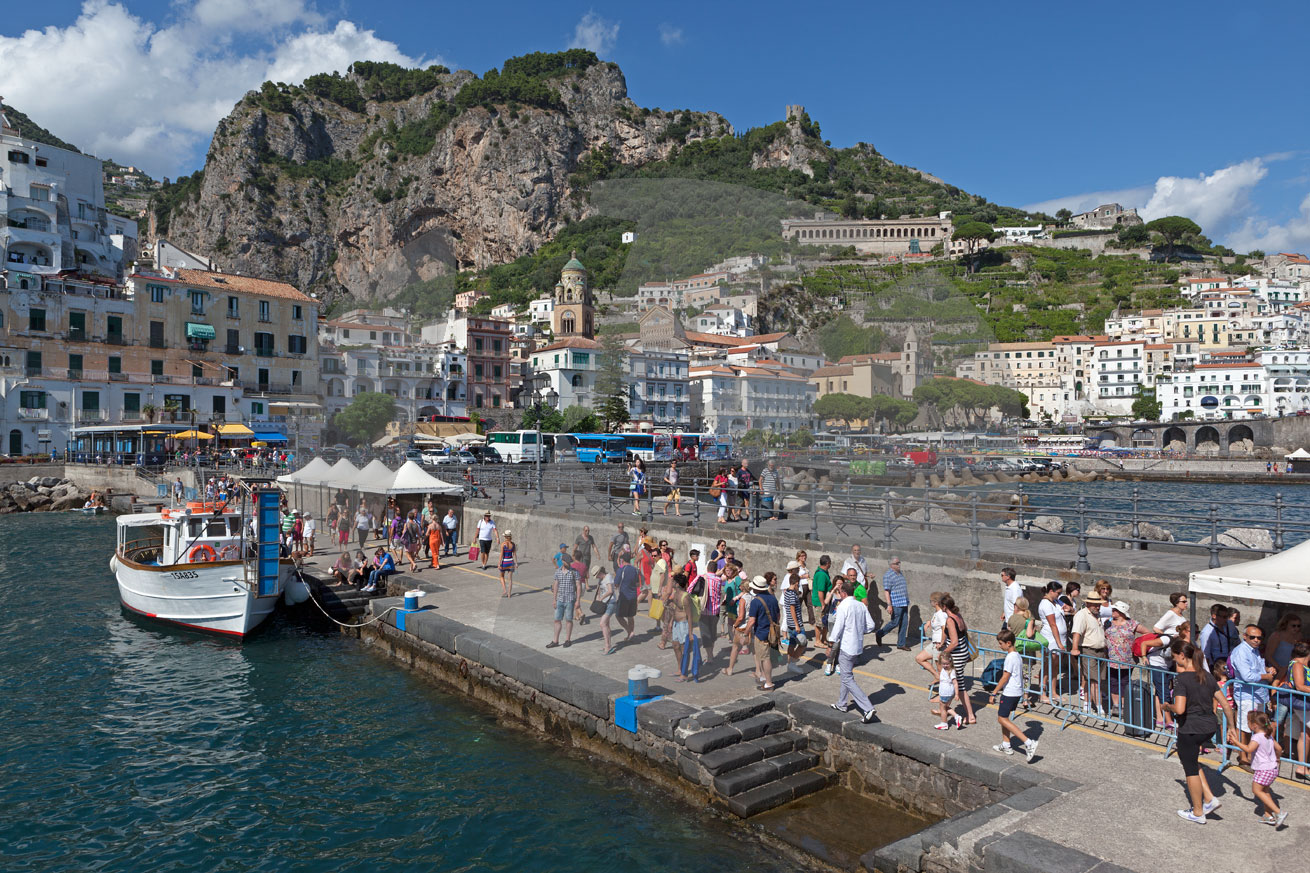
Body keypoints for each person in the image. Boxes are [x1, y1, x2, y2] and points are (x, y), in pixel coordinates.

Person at [1169, 642, 1235, 824]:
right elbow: (1226, 705)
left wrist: (1167, 706)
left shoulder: (1182, 679)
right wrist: (1231, 727)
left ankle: (1198, 812)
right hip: (1209, 727)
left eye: (1174, 656)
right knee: (1192, 760)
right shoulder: (1207, 676)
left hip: (1191, 728)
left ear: (1182, 656)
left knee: (1189, 768)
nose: (1174, 660)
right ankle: (1209, 798)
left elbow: (1180, 709)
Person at [828, 578, 878, 723]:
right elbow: (871, 625)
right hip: (857, 646)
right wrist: (859, 630)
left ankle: (867, 708)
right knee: (846, 673)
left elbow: (838, 627)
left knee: (847, 678)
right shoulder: (861, 605)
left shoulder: (843, 606)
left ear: (843, 593)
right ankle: (841, 703)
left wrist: (830, 644)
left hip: (846, 647)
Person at [1228, 711, 1289, 827]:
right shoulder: (1268, 735)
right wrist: (1277, 758)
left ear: (1254, 725)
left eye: (1248, 722)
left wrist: (1236, 742)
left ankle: (1279, 812)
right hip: (1273, 768)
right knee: (1265, 791)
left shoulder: (1257, 737)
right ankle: (1268, 815)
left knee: (1256, 791)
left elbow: (1248, 749)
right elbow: (1279, 748)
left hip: (1263, 769)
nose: (1248, 724)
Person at [988, 628, 1040, 761]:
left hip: (1010, 692)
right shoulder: (1017, 655)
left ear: (1008, 643)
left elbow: (1005, 676)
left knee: (1002, 719)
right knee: (1004, 717)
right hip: (1016, 691)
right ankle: (1006, 744)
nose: (999, 646)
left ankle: (1028, 743)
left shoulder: (1010, 657)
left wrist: (994, 692)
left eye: (1001, 643)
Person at [1229, 623, 1277, 763]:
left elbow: (1257, 668)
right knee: (1245, 726)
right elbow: (1247, 676)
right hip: (1247, 695)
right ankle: (1243, 757)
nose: (1256, 640)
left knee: (1256, 725)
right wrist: (1266, 676)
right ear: (1245, 636)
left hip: (1258, 694)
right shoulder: (1241, 651)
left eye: (1259, 638)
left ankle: (1251, 754)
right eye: (1252, 637)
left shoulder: (1254, 650)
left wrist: (1268, 669)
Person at [1103, 601, 1149, 718]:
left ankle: (1123, 706)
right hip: (1112, 658)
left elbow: (1147, 633)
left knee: (1124, 682)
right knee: (1113, 681)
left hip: (1127, 659)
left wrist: (1139, 645)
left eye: (1115, 610)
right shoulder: (1108, 622)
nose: (1113, 611)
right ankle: (1115, 705)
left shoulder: (1132, 623)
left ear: (1122, 612)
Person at [938, 594, 977, 725]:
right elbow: (964, 630)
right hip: (963, 652)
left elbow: (954, 642)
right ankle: (944, 708)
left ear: (944, 607)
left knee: (959, 687)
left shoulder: (950, 620)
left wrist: (943, 653)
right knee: (954, 682)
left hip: (957, 655)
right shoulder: (958, 615)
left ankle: (970, 716)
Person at [1070, 592, 1108, 720]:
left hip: (1100, 651)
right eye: (1095, 604)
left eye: (1099, 604)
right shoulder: (1082, 615)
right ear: (1088, 603)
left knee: (1091, 679)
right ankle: (1099, 709)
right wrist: (1074, 648)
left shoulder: (1097, 615)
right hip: (1089, 650)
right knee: (1095, 681)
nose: (1098, 607)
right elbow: (1077, 632)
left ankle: (1087, 705)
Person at [745, 576, 780, 691]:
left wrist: (745, 634)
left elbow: (751, 621)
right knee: (767, 656)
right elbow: (778, 615)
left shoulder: (756, 601)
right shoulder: (773, 598)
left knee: (765, 658)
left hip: (761, 633)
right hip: (772, 632)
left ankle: (769, 683)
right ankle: (764, 678)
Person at [1036, 581, 1067, 704]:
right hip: (1051, 639)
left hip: (1060, 638)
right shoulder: (1045, 604)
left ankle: (1053, 692)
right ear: (1051, 591)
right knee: (1047, 665)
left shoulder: (1056, 601)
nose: (1059, 595)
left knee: (1055, 667)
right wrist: (1059, 643)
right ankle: (1042, 693)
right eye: (1058, 593)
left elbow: (1069, 609)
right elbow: (1052, 624)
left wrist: (1069, 608)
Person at [1286, 641, 1310, 780]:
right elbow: (1300, 686)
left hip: (1305, 703)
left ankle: (1302, 767)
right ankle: (1302, 767)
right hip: (1303, 703)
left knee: (1305, 734)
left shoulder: (1299, 664)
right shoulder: (1298, 665)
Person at [876, 556, 911, 651]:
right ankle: (879, 633)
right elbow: (887, 591)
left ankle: (901, 644)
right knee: (895, 622)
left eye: (899, 563)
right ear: (891, 565)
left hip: (904, 602)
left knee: (904, 623)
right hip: (896, 604)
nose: (899, 565)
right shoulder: (888, 575)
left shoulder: (900, 573)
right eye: (897, 563)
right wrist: (889, 605)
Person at [667, 572, 693, 681]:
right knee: (675, 646)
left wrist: (690, 633)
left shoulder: (685, 597)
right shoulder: (675, 594)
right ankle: (679, 669)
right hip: (676, 624)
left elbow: (690, 616)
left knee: (684, 649)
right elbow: (675, 609)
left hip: (684, 624)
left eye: (673, 581)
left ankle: (684, 674)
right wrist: (671, 622)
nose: (672, 582)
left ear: (677, 584)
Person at [547, 556, 578, 649]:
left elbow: (579, 586)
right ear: (563, 561)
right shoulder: (558, 572)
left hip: (570, 599)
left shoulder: (574, 572)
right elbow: (556, 586)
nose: (569, 563)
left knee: (569, 620)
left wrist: (578, 600)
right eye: (567, 562)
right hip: (560, 599)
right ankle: (555, 641)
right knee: (557, 620)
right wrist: (554, 599)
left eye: (570, 562)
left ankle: (568, 640)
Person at [917, 591, 948, 681]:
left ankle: (944, 685)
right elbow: (936, 622)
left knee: (940, 669)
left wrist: (942, 642)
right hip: (934, 643)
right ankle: (937, 676)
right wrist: (928, 622)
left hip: (939, 644)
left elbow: (944, 628)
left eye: (930, 601)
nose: (930, 602)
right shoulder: (937, 612)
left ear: (936, 602)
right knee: (919, 658)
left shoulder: (941, 614)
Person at [782, 568, 807, 674]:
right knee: (803, 643)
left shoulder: (787, 591)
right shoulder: (792, 594)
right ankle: (792, 663)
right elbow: (792, 609)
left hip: (789, 623)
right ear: (796, 583)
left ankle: (789, 664)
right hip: (795, 624)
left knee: (792, 644)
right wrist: (797, 625)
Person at [1200, 604, 1240, 670]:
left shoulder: (1230, 625)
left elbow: (1237, 641)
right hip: (1217, 666)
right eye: (1224, 617)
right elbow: (1206, 655)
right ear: (1214, 616)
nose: (1226, 619)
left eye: (1227, 616)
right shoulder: (1206, 632)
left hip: (1231, 661)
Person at [1267, 613, 1303, 681]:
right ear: (1286, 624)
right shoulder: (1276, 635)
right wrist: (1280, 669)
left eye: (1298, 626)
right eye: (1293, 626)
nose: (1296, 628)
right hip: (1275, 670)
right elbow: (1268, 656)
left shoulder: (1299, 636)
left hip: (1289, 671)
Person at [614, 553, 640, 642]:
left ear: (622, 560)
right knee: (630, 616)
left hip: (624, 596)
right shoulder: (635, 570)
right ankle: (630, 636)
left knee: (618, 616)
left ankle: (630, 631)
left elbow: (616, 583)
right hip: (633, 596)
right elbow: (637, 584)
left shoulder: (621, 570)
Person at [933, 653, 960, 731]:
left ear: (950, 662)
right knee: (945, 707)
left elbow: (955, 683)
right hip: (947, 692)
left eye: (947, 664)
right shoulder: (945, 669)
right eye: (943, 664)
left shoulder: (951, 671)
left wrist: (957, 694)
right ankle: (956, 717)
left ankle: (944, 723)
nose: (945, 665)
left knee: (943, 708)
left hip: (946, 692)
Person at [812, 555, 834, 647]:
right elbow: (820, 591)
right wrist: (822, 604)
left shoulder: (824, 572)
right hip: (820, 602)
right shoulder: (821, 575)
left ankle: (823, 639)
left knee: (825, 622)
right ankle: (817, 641)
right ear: (827, 563)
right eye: (830, 563)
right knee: (819, 622)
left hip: (825, 601)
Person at [596, 566, 619, 656]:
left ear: (600, 573)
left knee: (602, 623)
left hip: (611, 603)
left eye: (597, 575)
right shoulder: (601, 579)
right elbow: (599, 589)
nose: (596, 577)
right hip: (605, 603)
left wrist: (601, 598)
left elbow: (610, 591)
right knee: (606, 624)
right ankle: (608, 644)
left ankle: (608, 646)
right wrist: (598, 597)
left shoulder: (608, 577)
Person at [498, 531, 518, 598]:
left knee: (501, 576)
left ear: (505, 536)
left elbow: (501, 555)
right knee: (510, 579)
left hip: (504, 562)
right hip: (511, 562)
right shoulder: (513, 544)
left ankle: (504, 590)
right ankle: (509, 594)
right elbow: (514, 554)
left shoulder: (503, 544)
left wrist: (499, 563)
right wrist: (516, 563)